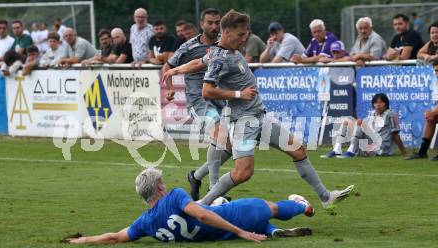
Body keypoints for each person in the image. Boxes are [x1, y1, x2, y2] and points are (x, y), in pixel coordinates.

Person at [166, 10, 354, 209]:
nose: (245, 37)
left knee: (297, 150)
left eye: (246, 33)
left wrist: (175, 70)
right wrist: (239, 95)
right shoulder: (220, 59)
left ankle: (326, 197)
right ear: (227, 32)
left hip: (260, 118)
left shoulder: (220, 52)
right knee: (242, 173)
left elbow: (199, 62)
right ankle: (202, 204)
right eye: (240, 34)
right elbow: (207, 90)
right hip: (244, 123)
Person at [65, 168, 314, 244]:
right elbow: (203, 215)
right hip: (231, 217)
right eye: (162, 180)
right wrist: (241, 232)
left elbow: (115, 237)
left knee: (219, 203)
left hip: (217, 235)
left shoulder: (146, 222)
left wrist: (82, 240)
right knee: (271, 207)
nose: (166, 183)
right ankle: (302, 206)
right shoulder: (174, 196)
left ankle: (270, 231)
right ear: (159, 188)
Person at [162, 8, 227, 200]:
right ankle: (214, 191)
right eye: (210, 22)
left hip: (221, 99)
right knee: (218, 131)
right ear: (202, 24)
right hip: (198, 101)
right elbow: (168, 66)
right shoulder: (188, 47)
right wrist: (169, 88)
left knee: (231, 147)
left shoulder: (224, 43)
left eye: (217, 22)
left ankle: (196, 176)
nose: (214, 26)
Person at [322, 93, 406, 158]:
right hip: (371, 144)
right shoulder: (373, 115)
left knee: (360, 122)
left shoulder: (391, 114)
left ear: (386, 103)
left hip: (381, 148)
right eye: (376, 103)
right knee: (347, 120)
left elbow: (395, 134)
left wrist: (404, 153)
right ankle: (337, 149)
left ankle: (351, 150)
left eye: (381, 102)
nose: (378, 105)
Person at [405, 60, 438, 161]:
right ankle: (422, 152)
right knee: (431, 119)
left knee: (432, 115)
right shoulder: (436, 83)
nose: (437, 73)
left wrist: (432, 112)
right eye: (435, 70)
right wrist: (432, 113)